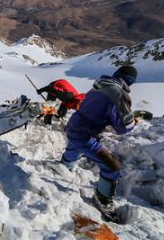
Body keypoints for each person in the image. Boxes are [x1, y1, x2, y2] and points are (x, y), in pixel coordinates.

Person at [61, 66, 138, 219]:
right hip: (84, 133)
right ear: (130, 81)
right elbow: (124, 128)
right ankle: (102, 199)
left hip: (74, 125)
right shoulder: (117, 93)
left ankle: (62, 167)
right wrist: (134, 121)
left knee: (75, 148)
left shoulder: (101, 84)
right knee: (112, 166)